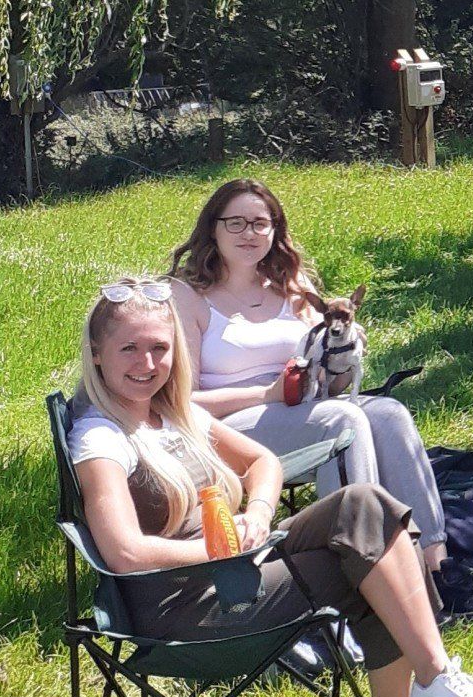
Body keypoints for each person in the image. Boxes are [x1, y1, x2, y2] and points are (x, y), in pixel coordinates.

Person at [69, 280, 473, 697]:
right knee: (369, 560)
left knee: (367, 507)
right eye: (129, 348)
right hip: (185, 609)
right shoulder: (101, 440)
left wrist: (258, 515)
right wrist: (218, 550)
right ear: (97, 354)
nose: (147, 364)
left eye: (159, 348)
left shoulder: (172, 415)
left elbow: (261, 461)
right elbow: (125, 553)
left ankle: (431, 681)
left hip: (234, 571)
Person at [169, 179, 453, 587]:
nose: (249, 233)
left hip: (305, 408)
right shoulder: (189, 297)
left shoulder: (293, 288)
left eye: (260, 223)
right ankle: (369, 574)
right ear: (212, 228)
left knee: (390, 414)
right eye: (235, 223)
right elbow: (182, 400)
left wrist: (342, 359)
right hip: (229, 428)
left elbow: (328, 385)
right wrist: (266, 393)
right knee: (342, 422)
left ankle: (436, 566)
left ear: (275, 231)